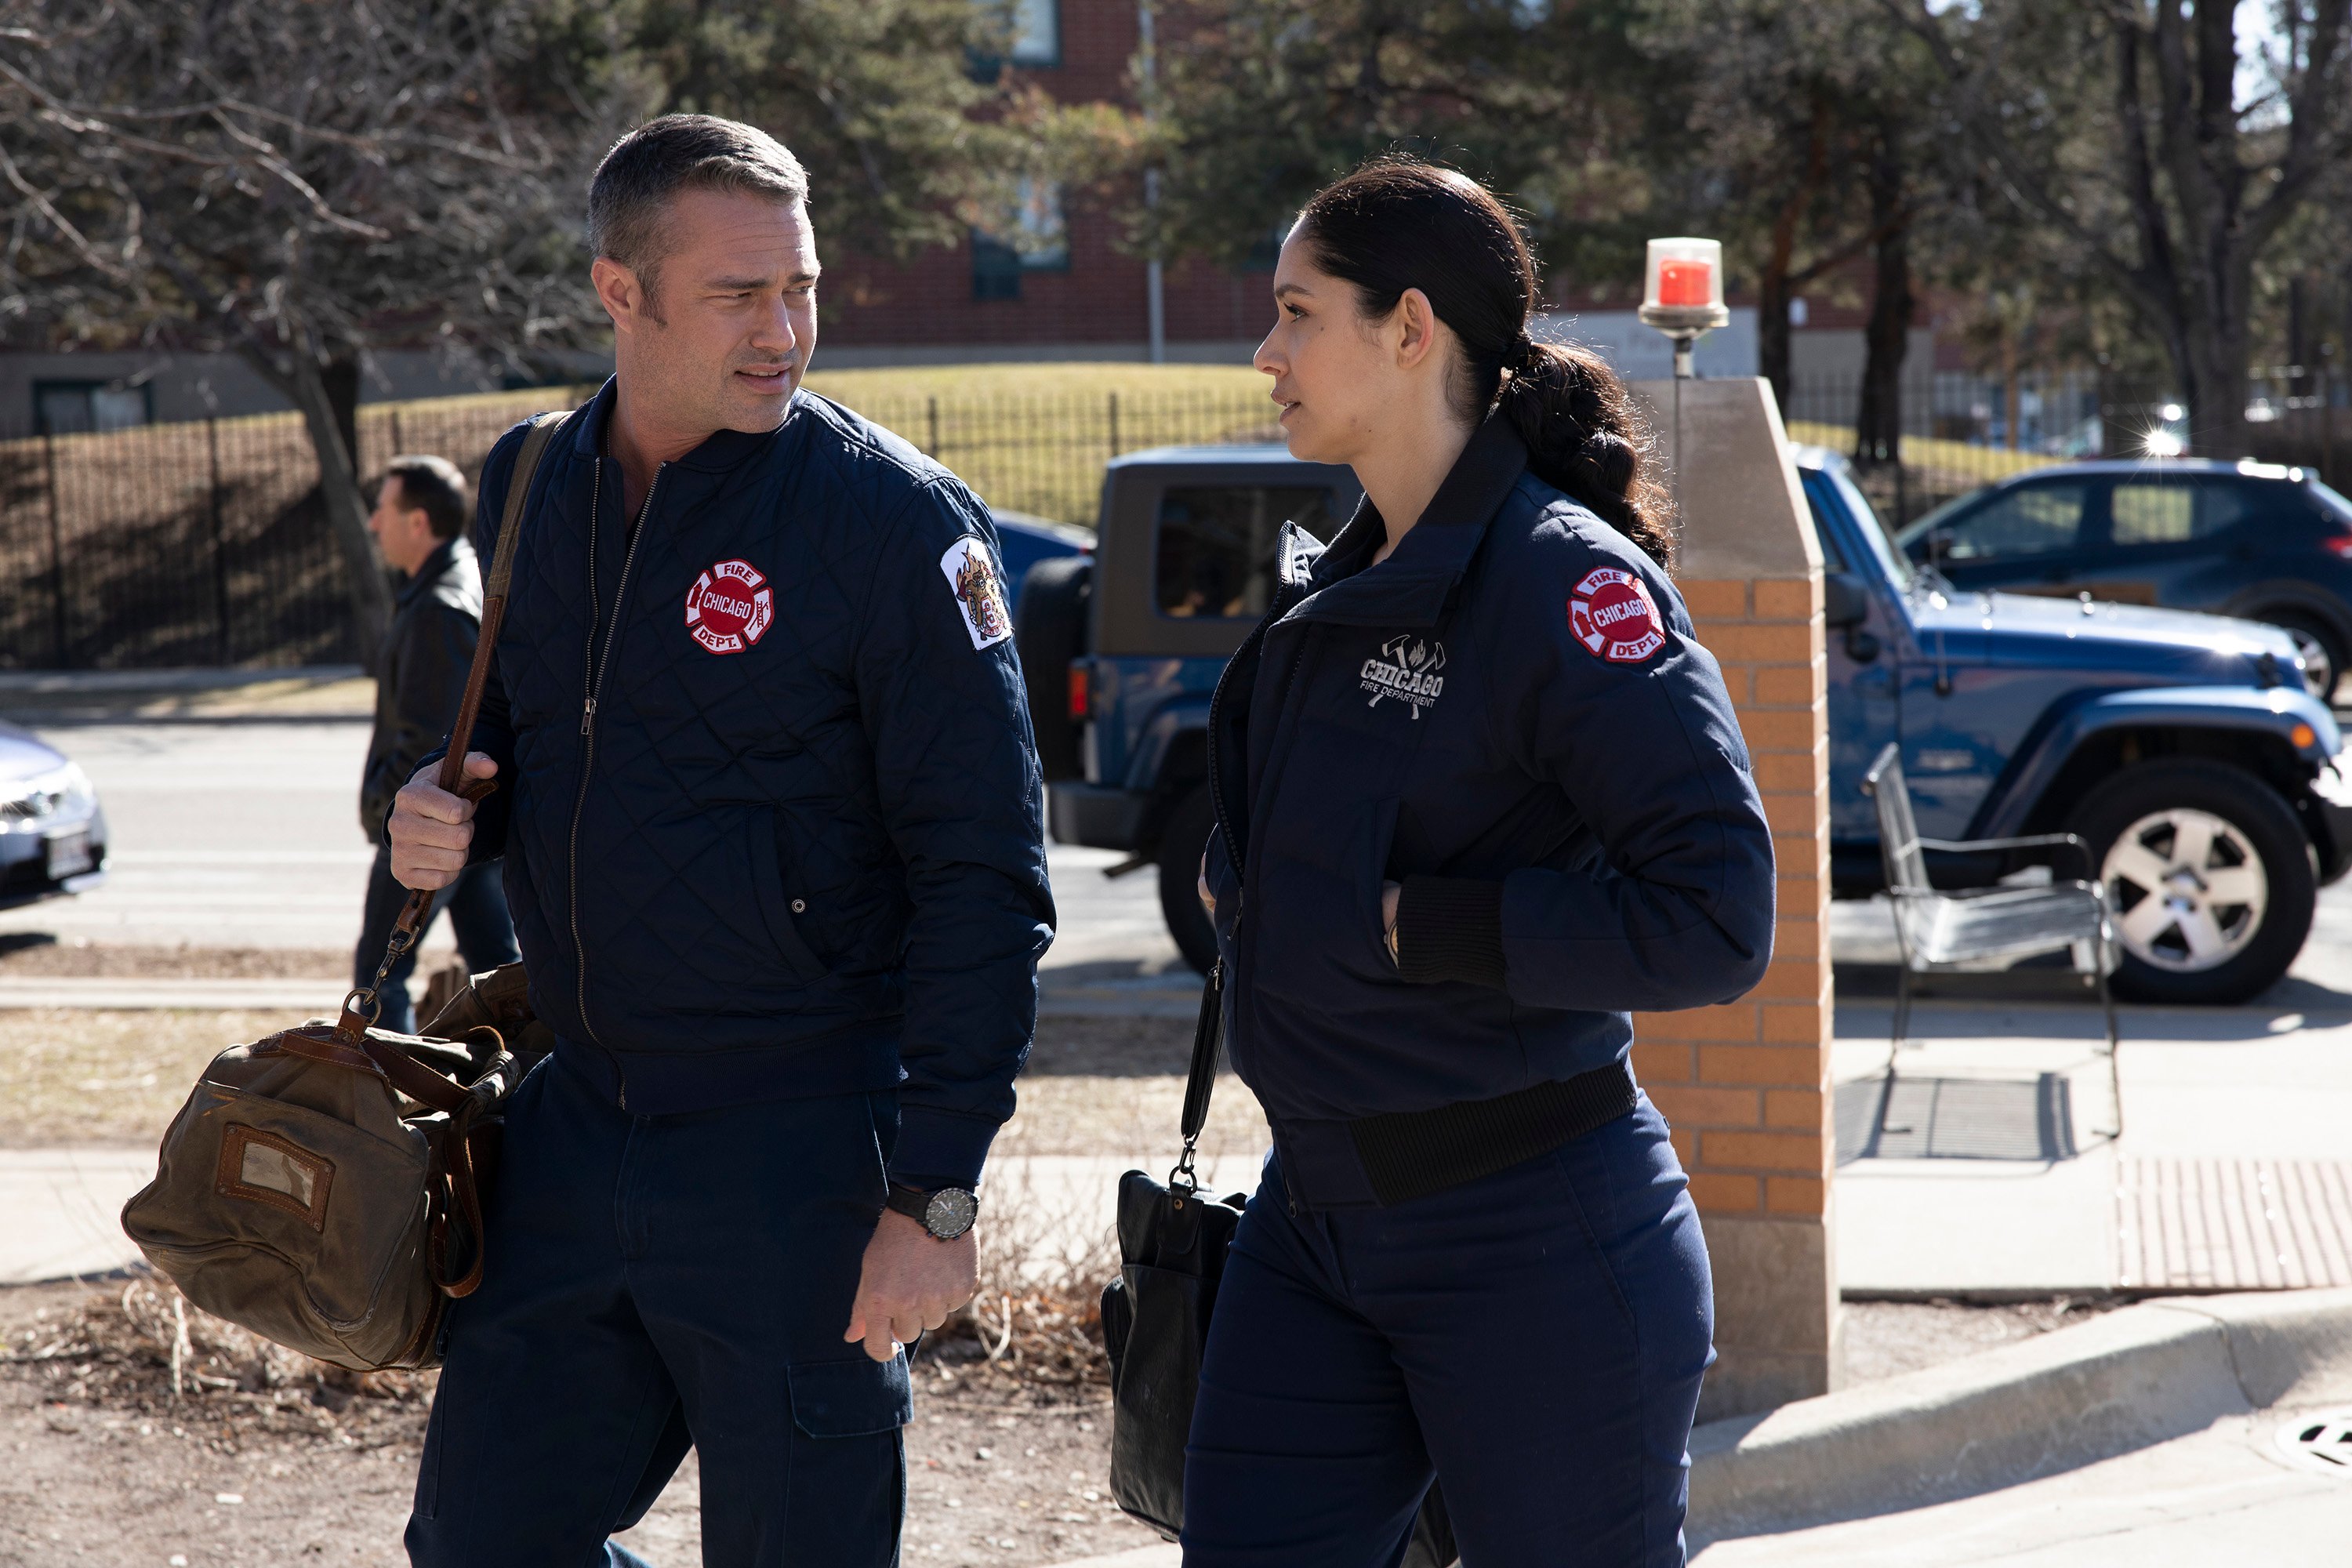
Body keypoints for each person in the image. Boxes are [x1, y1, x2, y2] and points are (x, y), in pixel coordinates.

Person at [384, 114, 1053, 1567]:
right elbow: (507, 739)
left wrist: (935, 1192)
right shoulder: (532, 477)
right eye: (740, 295)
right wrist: (444, 816)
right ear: (620, 294)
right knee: (477, 1545)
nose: (786, 330)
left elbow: (987, 875)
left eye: (802, 288)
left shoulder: (892, 520)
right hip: (574, 1126)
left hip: (801, 1155)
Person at [1187, 161, 1776, 1567]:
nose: (1265, 353)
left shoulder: (1564, 584)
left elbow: (1717, 914)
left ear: (1410, 330)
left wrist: (1417, 928)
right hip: (1314, 1217)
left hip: (1534, 1241)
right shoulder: (1345, 577)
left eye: (1295, 312)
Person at [355, 455, 521, 1033]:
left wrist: (387, 810)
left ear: (418, 523)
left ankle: (384, 1113)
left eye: (383, 509)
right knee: (501, 976)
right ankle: (519, 1081)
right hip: (467, 819)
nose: (374, 524)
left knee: (378, 979)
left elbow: (433, 742)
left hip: (431, 822)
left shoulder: (438, 608)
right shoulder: (462, 582)